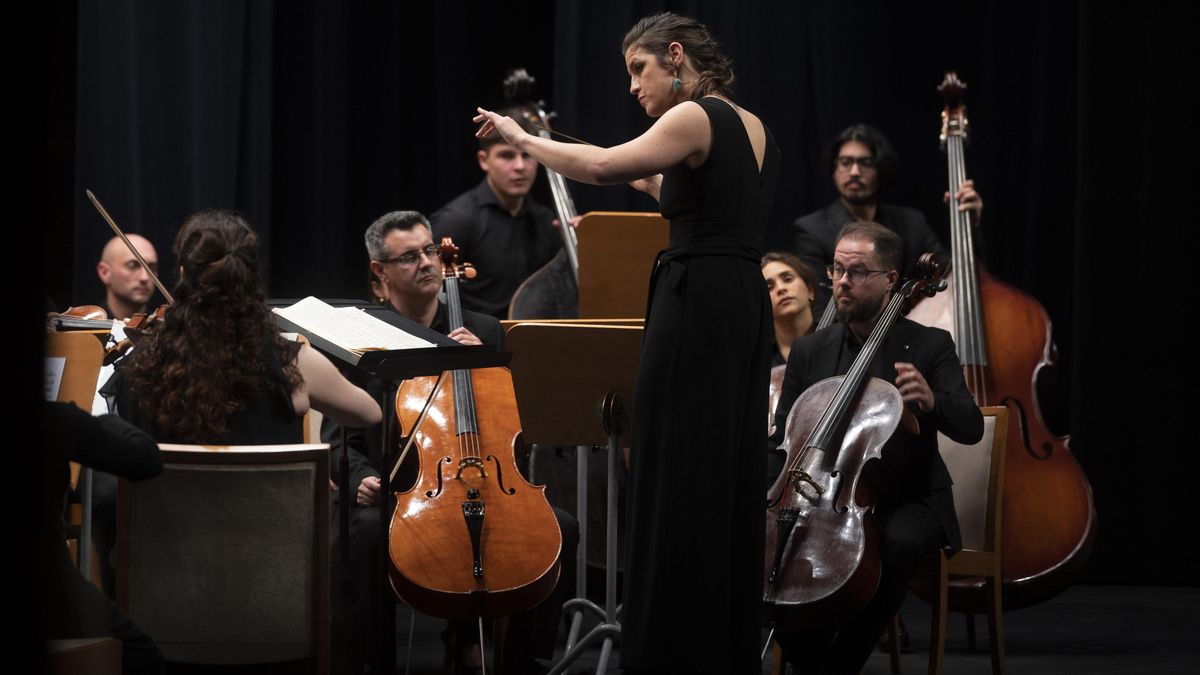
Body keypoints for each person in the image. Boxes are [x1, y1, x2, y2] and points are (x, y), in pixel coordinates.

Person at [475, 11, 779, 672]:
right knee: (716, 473)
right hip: (738, 302)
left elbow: (607, 165)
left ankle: (670, 650)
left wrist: (522, 136)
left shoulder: (693, 116)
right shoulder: (750, 125)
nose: (633, 88)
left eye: (639, 70)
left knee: (674, 468)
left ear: (675, 56)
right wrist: (559, 140)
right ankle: (718, 648)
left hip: (695, 296)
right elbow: (664, 184)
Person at [338, 210, 576, 674]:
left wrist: (484, 364)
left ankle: (521, 662)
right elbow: (334, 437)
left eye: (429, 251)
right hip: (394, 492)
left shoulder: (483, 330)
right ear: (379, 271)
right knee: (365, 537)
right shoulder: (361, 337)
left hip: (481, 478)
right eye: (410, 256)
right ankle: (373, 664)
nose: (427, 263)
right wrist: (360, 476)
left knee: (560, 528)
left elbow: (512, 420)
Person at [769, 221, 983, 674]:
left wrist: (932, 400)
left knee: (897, 547)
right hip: (823, 499)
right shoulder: (810, 350)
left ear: (890, 280)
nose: (842, 282)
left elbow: (971, 427)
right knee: (774, 556)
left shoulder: (930, 344)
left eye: (857, 272)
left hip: (910, 498)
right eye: (837, 270)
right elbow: (783, 436)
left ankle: (839, 668)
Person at [105, 208, 381, 442]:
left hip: (169, 507)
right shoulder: (294, 364)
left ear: (182, 273)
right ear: (251, 278)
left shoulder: (142, 366)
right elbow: (370, 414)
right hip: (265, 507)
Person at [793, 123, 983, 311]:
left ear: (881, 170)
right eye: (845, 162)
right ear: (834, 171)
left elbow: (955, 279)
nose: (854, 172)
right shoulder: (811, 230)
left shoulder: (912, 222)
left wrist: (968, 225)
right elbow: (818, 308)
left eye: (865, 162)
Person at [40, 401, 165, 674]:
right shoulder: (55, 420)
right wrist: (105, 421)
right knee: (140, 654)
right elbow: (147, 459)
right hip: (51, 591)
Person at [430, 108, 561, 320]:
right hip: (479, 344)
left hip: (536, 341)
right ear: (483, 160)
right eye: (507, 155)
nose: (520, 166)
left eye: (527, 156)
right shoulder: (456, 220)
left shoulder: (546, 220)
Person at [762, 251, 821, 366]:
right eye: (769, 287)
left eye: (788, 279)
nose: (781, 288)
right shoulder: (760, 360)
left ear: (810, 290)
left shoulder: (839, 341)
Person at [96, 234, 159, 320]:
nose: (145, 278)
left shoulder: (166, 330)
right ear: (105, 273)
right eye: (132, 266)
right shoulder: (85, 332)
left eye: (152, 268)